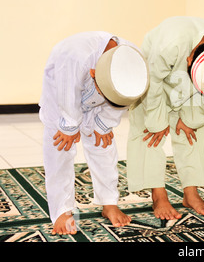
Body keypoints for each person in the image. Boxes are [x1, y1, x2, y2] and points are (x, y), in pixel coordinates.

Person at [39, 31, 149, 235]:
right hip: (60, 97)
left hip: (101, 102)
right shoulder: (73, 56)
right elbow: (67, 94)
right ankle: (62, 210)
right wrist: (69, 126)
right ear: (93, 73)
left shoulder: (133, 60)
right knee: (60, 147)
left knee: (103, 143)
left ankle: (109, 202)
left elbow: (124, 97)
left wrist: (104, 123)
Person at [127, 16, 204, 220]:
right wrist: (157, 122)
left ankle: (191, 193)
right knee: (150, 132)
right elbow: (153, 85)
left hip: (195, 84)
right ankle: (159, 195)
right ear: (188, 59)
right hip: (154, 77)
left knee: (191, 131)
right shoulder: (169, 46)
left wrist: (190, 119)